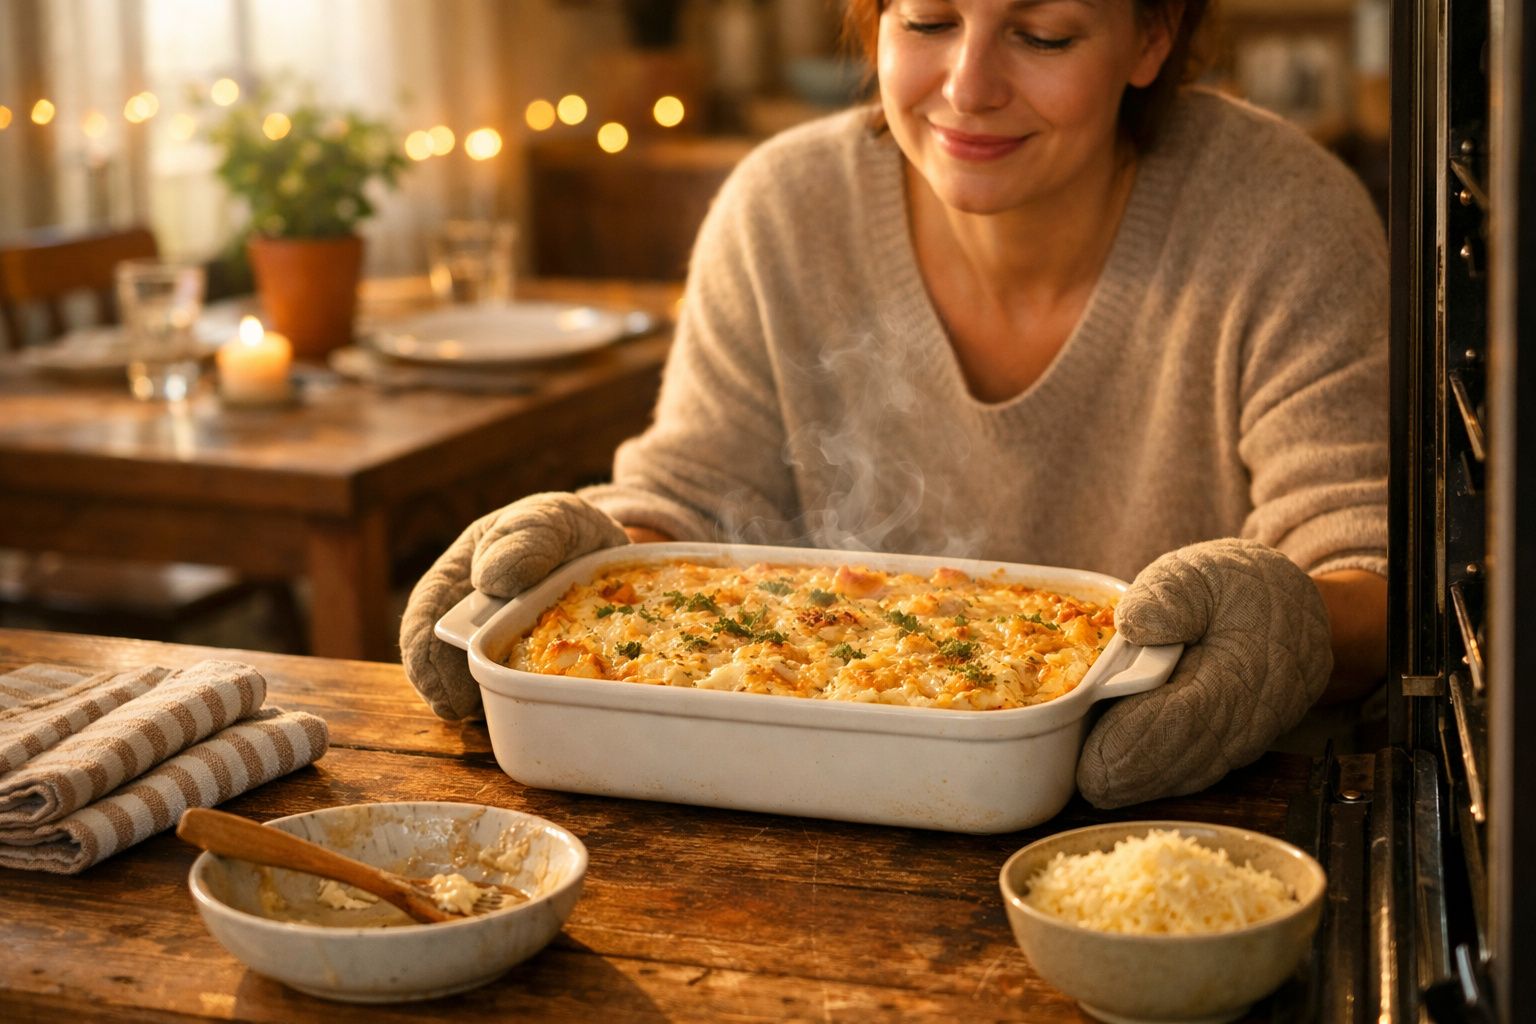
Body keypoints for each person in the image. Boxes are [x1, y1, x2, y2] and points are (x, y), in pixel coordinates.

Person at [401, 0, 1388, 808]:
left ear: (1152, 36)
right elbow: (691, 501)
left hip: (1203, 825)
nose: (969, 89)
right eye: (926, 20)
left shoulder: (1284, 219)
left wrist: (1294, 622)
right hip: (793, 816)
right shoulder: (782, 208)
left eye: (1040, 35)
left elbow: (1372, 568)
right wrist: (583, 551)